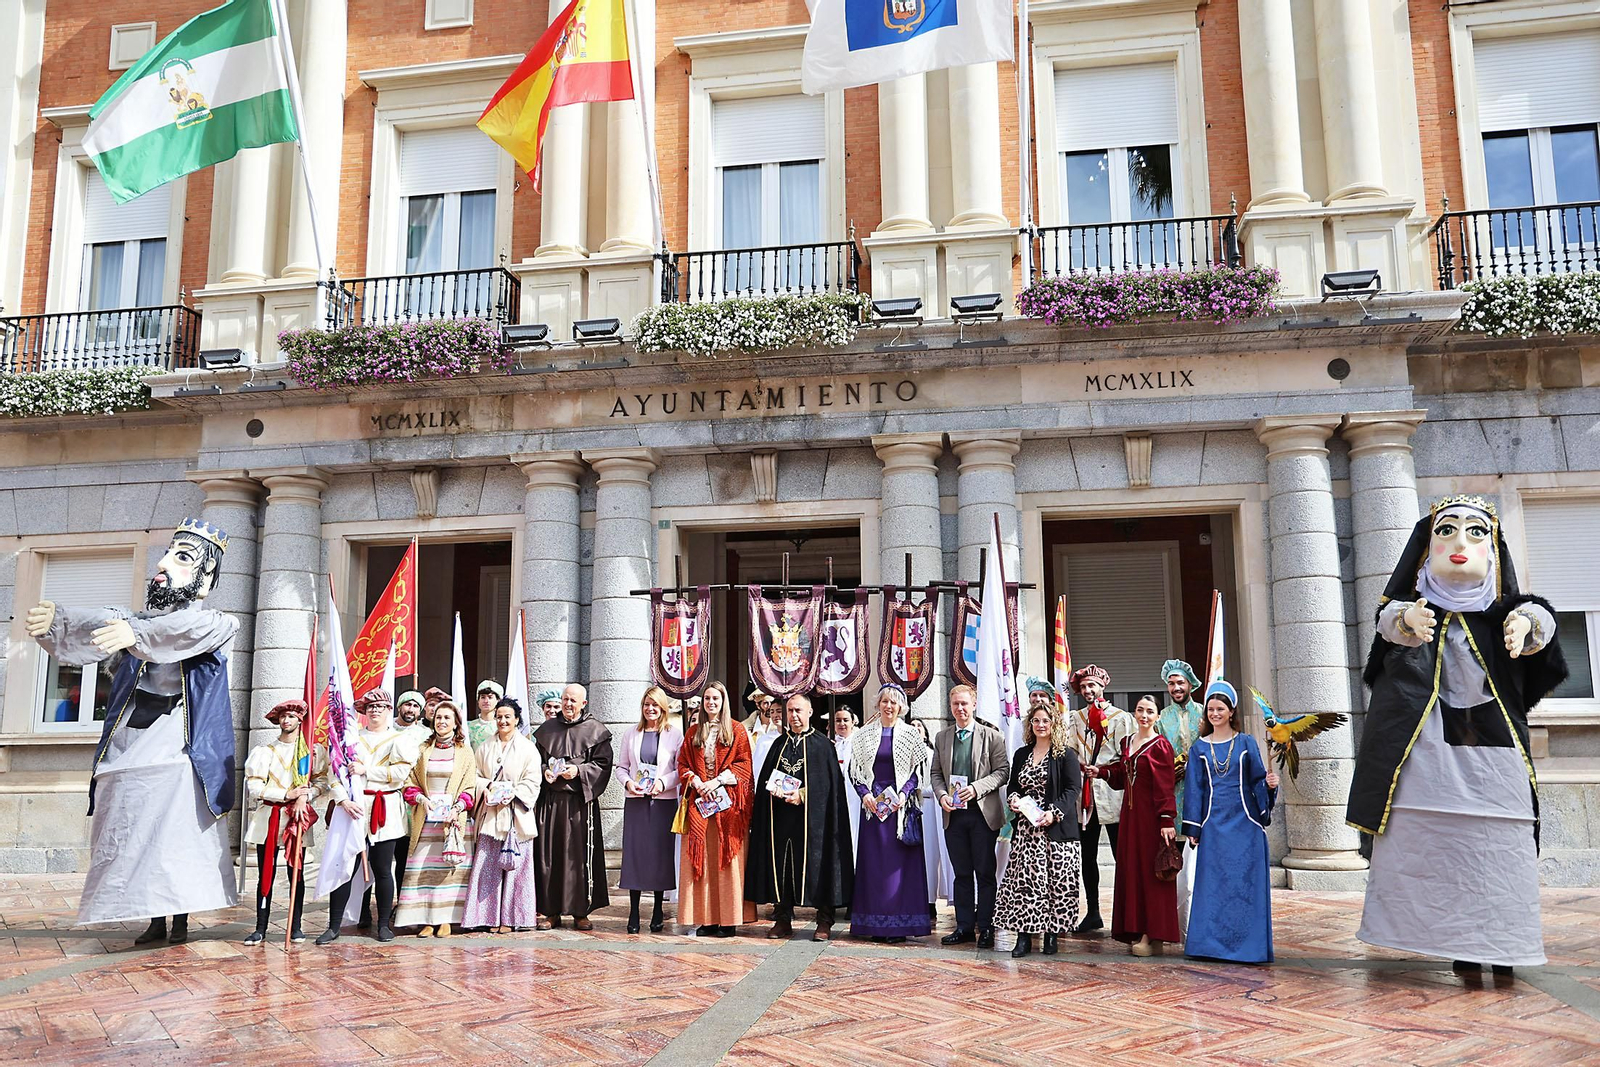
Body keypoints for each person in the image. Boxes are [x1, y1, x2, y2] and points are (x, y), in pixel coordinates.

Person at [1350, 496, 1566, 979]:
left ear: (1493, 549)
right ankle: (1462, 947)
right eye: (1446, 532)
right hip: (1427, 754)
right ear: (1425, 550)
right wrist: (1404, 621)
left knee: (1501, 852)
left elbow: (1541, 626)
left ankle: (1505, 946)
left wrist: (1529, 624)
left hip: (1494, 755)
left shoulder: (1506, 614)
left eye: (1476, 533)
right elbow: (1390, 625)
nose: (1460, 543)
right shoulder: (1415, 614)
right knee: (1437, 850)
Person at [27, 518, 239, 944]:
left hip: (183, 756)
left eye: (181, 558)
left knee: (174, 843)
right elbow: (103, 622)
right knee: (130, 837)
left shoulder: (216, 624)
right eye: (166, 555)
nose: (162, 565)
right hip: (130, 754)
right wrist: (60, 622)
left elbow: (173, 633)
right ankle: (151, 917)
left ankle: (176, 918)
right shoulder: (135, 624)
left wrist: (135, 633)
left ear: (206, 578)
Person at [1182, 680, 1278, 964]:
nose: (1214, 713)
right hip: (1213, 828)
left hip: (1246, 827)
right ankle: (1210, 947)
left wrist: (1270, 786)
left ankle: (1249, 948)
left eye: (1220, 708)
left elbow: (1258, 780)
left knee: (1244, 888)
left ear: (1231, 711)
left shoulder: (1246, 743)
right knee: (1213, 889)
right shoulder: (1199, 748)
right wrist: (1193, 828)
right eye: (1210, 709)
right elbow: (1194, 789)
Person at [747, 693, 855, 942]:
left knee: (820, 865)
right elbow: (766, 778)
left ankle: (824, 919)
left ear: (810, 713)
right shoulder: (778, 744)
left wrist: (803, 794)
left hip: (815, 822)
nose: (794, 716)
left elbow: (830, 787)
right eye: (790, 711)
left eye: (799, 711)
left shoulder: (822, 745)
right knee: (783, 867)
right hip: (781, 818)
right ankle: (783, 917)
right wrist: (772, 789)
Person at [317, 688, 417, 944]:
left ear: (388, 710)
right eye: (369, 707)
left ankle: (383, 924)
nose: (374, 711)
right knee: (345, 866)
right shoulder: (351, 739)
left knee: (383, 869)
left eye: (379, 706)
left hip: (385, 807)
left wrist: (367, 770)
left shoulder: (400, 739)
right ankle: (334, 925)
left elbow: (401, 773)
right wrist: (343, 800)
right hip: (353, 809)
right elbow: (335, 774)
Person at [1089, 694, 1180, 957]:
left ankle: (1152, 933)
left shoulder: (1161, 746)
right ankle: (1142, 931)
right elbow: (1121, 774)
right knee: (1134, 872)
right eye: (1140, 710)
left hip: (1152, 819)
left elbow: (1165, 785)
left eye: (1150, 711)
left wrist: (1166, 819)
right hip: (1130, 819)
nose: (1144, 715)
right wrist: (1103, 772)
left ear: (1157, 716)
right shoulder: (1128, 742)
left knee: (1153, 875)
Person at [993, 702, 1083, 958]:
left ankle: (1051, 935)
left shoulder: (1065, 754)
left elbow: (1072, 789)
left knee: (1056, 884)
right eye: (1036, 721)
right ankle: (1023, 938)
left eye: (1045, 720)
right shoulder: (1022, 754)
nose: (1041, 725)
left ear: (1054, 724)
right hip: (1027, 833)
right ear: (1030, 725)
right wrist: (1013, 800)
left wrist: (1053, 813)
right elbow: (1013, 787)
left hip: (1055, 830)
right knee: (1026, 885)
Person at [846, 685, 931, 942]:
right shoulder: (862, 735)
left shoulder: (910, 735)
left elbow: (918, 772)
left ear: (901, 707)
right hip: (873, 812)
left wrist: (905, 794)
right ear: (878, 705)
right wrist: (865, 794)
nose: (889, 706)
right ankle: (874, 925)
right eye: (884, 701)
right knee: (874, 870)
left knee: (899, 871)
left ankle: (899, 927)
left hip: (899, 811)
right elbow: (855, 770)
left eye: (894, 702)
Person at [931, 684, 1009, 949]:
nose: (960, 709)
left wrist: (976, 788)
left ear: (974, 704)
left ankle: (986, 927)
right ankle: (964, 926)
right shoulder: (942, 737)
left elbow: (1002, 772)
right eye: (955, 704)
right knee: (961, 873)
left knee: (985, 873)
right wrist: (942, 795)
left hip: (982, 815)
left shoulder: (992, 737)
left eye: (964, 704)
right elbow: (936, 774)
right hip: (954, 815)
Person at [678, 681, 756, 937]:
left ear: (724, 702)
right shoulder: (693, 732)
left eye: (716, 699)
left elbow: (745, 767)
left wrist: (719, 780)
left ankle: (729, 920)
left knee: (727, 864)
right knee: (703, 863)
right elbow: (682, 764)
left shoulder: (737, 731)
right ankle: (707, 919)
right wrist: (696, 781)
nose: (711, 703)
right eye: (707, 699)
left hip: (728, 808)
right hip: (701, 806)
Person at [533, 683, 613, 930]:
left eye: (573, 700)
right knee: (550, 857)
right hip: (551, 803)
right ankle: (550, 911)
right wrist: (545, 771)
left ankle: (581, 911)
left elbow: (603, 764)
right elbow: (534, 762)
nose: (568, 704)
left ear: (583, 704)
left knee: (579, 859)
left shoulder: (595, 730)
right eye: (565, 699)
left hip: (580, 803)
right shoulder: (546, 730)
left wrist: (578, 770)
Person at [395, 699, 477, 937]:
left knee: (449, 872)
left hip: (453, 821)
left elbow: (470, 786)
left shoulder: (465, 751)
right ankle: (426, 919)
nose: (442, 721)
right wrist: (422, 800)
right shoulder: (422, 749)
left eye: (447, 718)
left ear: (455, 723)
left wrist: (458, 807)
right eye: (438, 717)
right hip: (426, 820)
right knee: (424, 870)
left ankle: (446, 920)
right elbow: (409, 783)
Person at [242, 698, 319, 945]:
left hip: (297, 816)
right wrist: (286, 795)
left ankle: (295, 926)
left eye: (293, 716)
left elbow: (322, 784)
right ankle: (260, 927)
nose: (287, 720)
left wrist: (305, 795)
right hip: (270, 816)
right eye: (284, 716)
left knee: (296, 873)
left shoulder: (310, 753)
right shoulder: (265, 752)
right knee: (266, 871)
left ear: (300, 720)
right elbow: (254, 787)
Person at [463, 696, 542, 932]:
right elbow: (474, 775)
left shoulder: (528, 748)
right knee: (487, 867)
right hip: (491, 815)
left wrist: (515, 793)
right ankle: (486, 916)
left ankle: (513, 918)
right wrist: (485, 788)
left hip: (517, 816)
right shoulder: (485, 746)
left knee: (517, 869)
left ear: (517, 719)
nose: (503, 721)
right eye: (499, 717)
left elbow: (533, 781)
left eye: (508, 717)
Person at [1065, 665, 1133, 934]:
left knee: (1121, 855)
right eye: (1083, 688)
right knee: (1087, 855)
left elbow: (1126, 757)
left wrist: (1104, 771)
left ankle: (1126, 914)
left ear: (1103, 686)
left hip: (1113, 793)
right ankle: (1093, 911)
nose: (1088, 691)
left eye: (1092, 686)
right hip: (1085, 795)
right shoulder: (1074, 718)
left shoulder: (1121, 718)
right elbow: (1069, 753)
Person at [616, 686, 684, 934]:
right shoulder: (631, 734)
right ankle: (634, 912)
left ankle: (657, 910)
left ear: (663, 707)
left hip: (663, 802)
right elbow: (621, 767)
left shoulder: (674, 735)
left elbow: (680, 769)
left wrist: (663, 783)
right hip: (636, 801)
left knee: (659, 856)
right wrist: (628, 783)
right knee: (635, 855)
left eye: (655, 705)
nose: (650, 709)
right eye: (647, 704)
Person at [1154, 659, 1203, 934]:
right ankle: (1174, 924)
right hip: (1173, 794)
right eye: (1171, 683)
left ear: (1190, 684)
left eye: (1180, 682)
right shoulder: (1162, 718)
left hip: (1201, 795)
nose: (1175, 687)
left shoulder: (1204, 713)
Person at [831, 706, 861, 858]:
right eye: (838, 720)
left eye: (845, 720)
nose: (842, 724)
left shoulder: (859, 743)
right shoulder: (829, 745)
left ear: (853, 722)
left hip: (853, 797)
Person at [469, 680, 504, 748]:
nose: (486, 701)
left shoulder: (502, 725)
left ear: (498, 700)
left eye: (490, 697)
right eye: (483, 697)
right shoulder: (469, 726)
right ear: (478, 700)